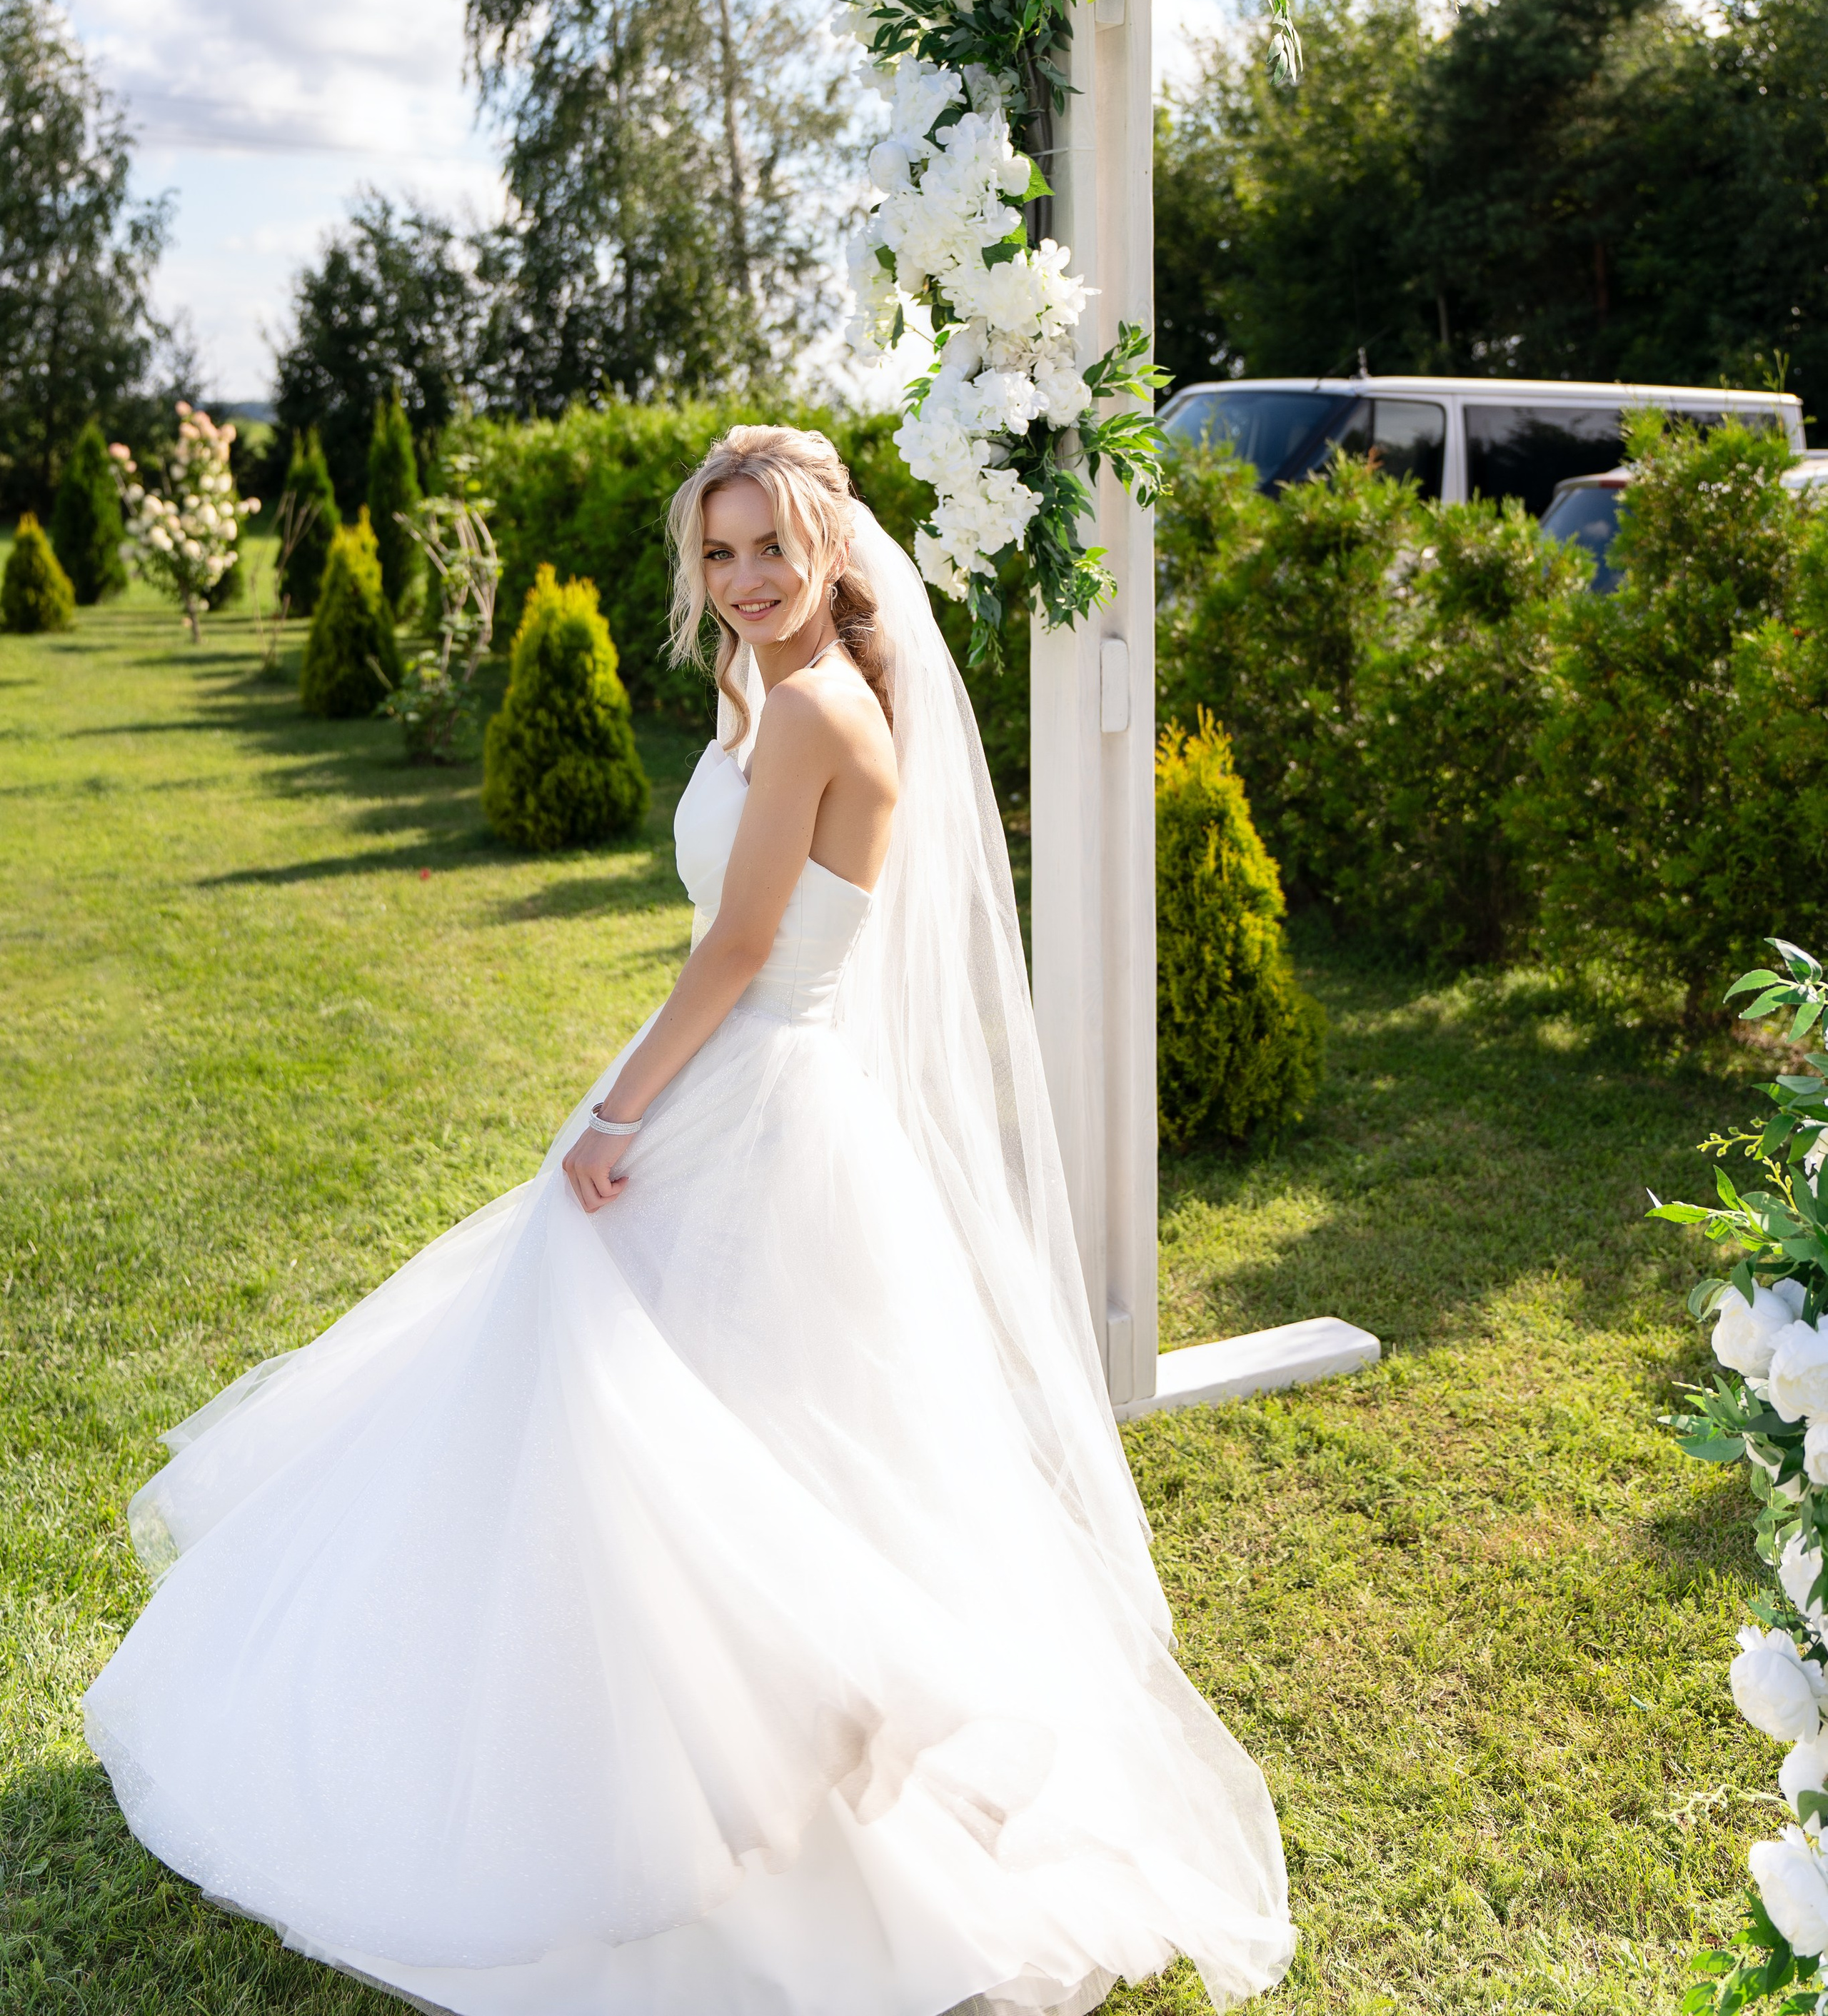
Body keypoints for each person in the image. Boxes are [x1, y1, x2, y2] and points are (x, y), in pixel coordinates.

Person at [84, 424, 1295, 2015]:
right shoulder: (788, 693)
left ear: (830, 549)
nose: (739, 584)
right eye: (716, 554)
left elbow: (736, 951)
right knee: (709, 1436)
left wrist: (613, 1114)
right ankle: (674, 1751)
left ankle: (753, 1788)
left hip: (755, 1098)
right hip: (761, 1087)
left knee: (661, 1427)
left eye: (766, 551)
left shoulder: (806, 706)